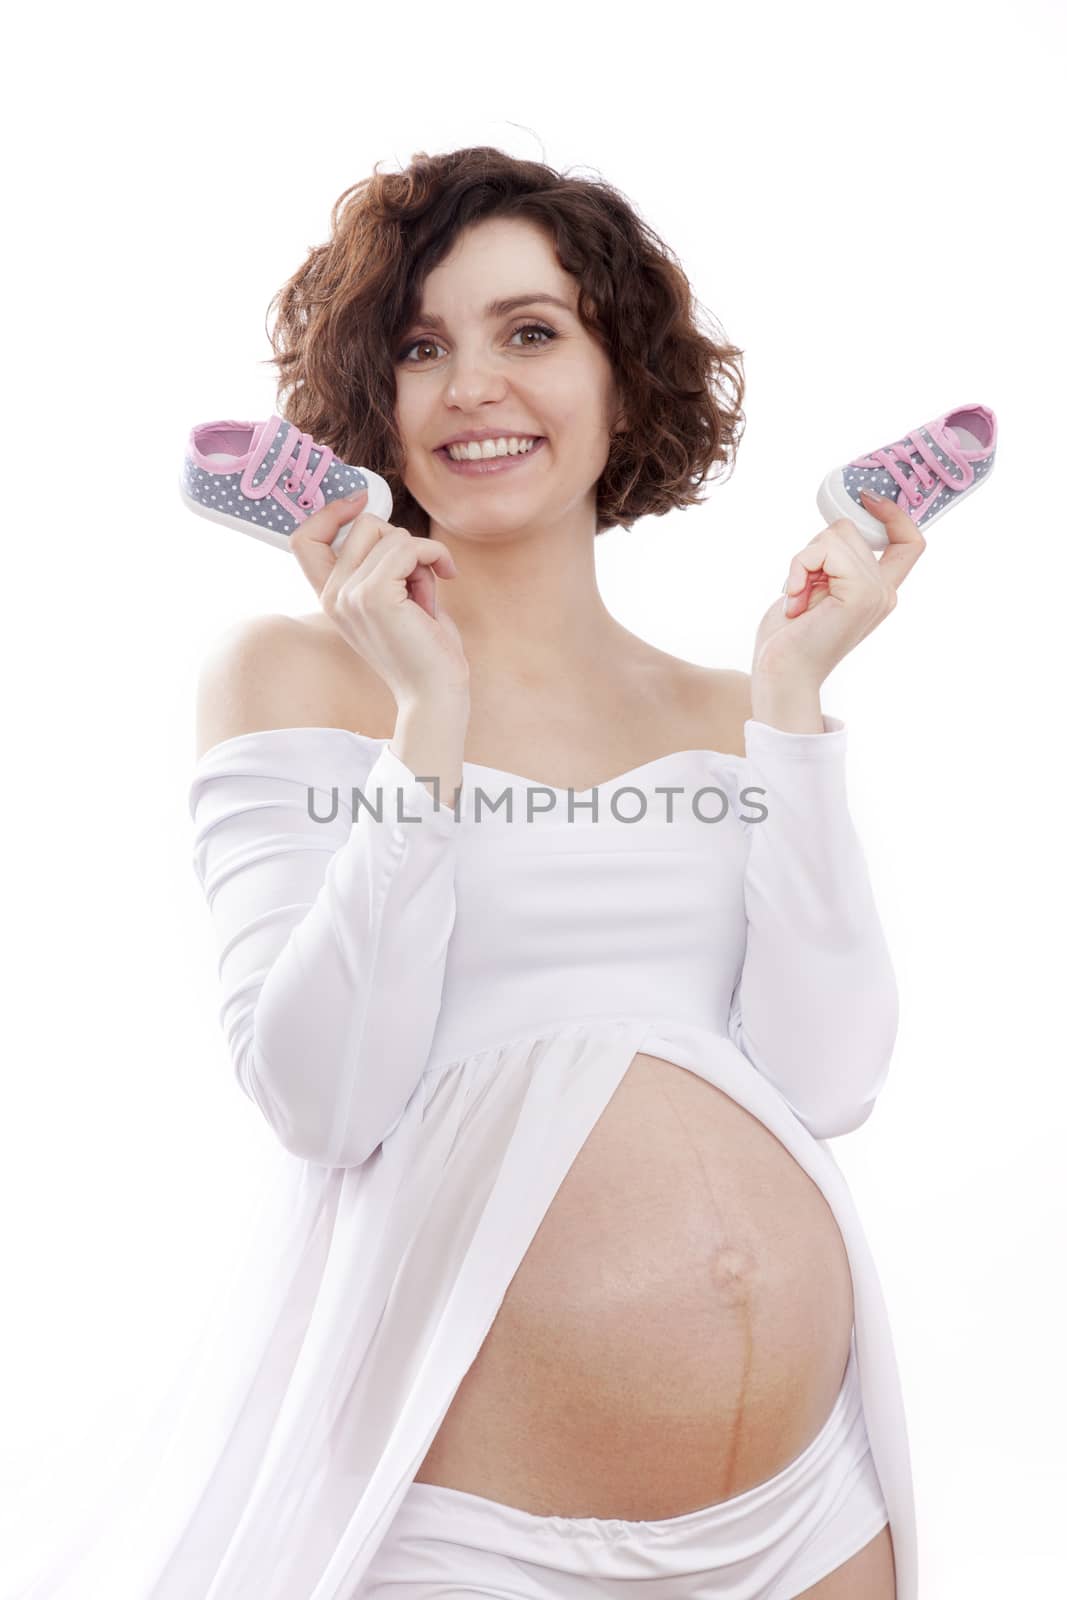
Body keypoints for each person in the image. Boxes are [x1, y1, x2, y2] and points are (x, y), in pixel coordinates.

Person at [18, 147, 925, 1600]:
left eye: (530, 332)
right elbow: (325, 1097)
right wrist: (426, 722)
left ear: (620, 376)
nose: (472, 387)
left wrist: (795, 703)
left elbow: (828, 1081)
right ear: (374, 402)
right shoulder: (294, 678)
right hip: (470, 1534)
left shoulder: (728, 709)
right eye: (422, 348)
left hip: (810, 1516)